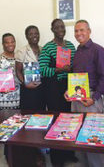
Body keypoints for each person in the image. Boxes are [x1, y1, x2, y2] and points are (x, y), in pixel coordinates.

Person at [64, 20, 104, 167]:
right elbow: (76, 77)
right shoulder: (77, 51)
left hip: (91, 100)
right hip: (76, 99)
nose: (79, 34)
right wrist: (69, 90)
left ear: (89, 31)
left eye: (82, 30)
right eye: (76, 31)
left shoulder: (98, 50)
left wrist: (94, 98)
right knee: (78, 134)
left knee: (91, 137)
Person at [39, 19, 76, 166]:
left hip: (69, 87)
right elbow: (42, 70)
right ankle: (57, 158)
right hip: (53, 89)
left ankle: (68, 153)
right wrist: (60, 69)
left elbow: (75, 65)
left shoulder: (71, 46)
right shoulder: (48, 48)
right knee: (57, 123)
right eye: (57, 27)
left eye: (62, 26)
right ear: (52, 29)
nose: (60, 29)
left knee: (70, 121)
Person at [16, 25, 46, 110]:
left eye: (36, 33)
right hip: (28, 89)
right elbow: (18, 71)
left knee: (42, 113)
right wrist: (25, 83)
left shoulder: (43, 49)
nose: (34, 36)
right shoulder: (21, 51)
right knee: (28, 113)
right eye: (31, 34)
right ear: (26, 36)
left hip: (41, 87)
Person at [0, 33, 20, 110]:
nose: (10, 44)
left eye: (12, 42)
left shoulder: (19, 57)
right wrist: (2, 87)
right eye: (7, 42)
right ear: (3, 44)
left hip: (20, 99)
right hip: (5, 100)